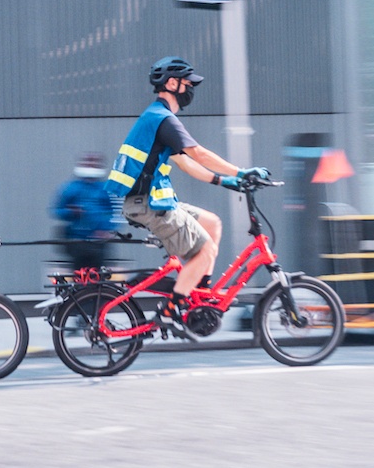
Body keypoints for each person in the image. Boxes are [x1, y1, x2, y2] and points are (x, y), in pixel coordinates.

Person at [103, 56, 270, 336]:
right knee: (206, 250)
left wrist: (225, 181)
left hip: (153, 202)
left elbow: (186, 163)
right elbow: (199, 153)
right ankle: (170, 310)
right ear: (172, 84)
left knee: (212, 223)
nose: (192, 88)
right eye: (188, 83)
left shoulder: (159, 119)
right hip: (149, 204)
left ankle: (198, 292)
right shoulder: (162, 118)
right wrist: (241, 172)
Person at [49, 152, 120, 270]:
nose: (91, 166)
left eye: (94, 163)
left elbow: (113, 213)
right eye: (88, 163)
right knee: (79, 273)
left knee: (98, 273)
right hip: (76, 241)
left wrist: (107, 230)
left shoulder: (105, 189)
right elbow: (56, 210)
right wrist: (71, 212)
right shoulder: (70, 188)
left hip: (99, 243)